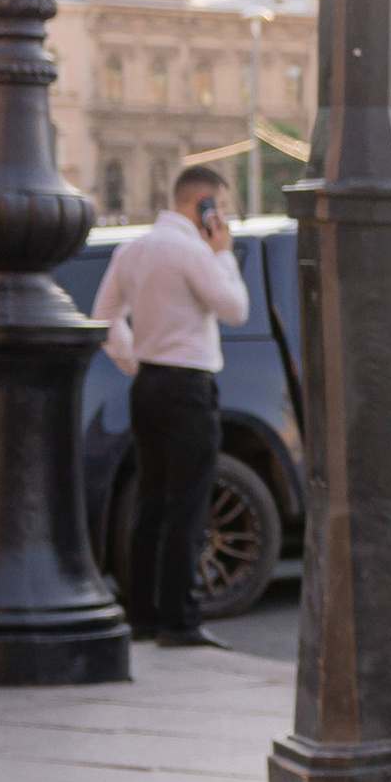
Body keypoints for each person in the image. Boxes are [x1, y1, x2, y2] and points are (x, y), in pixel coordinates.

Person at [92, 160, 249, 645]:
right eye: (218, 206)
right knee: (187, 504)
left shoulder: (133, 249)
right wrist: (223, 254)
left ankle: (142, 616)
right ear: (201, 203)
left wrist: (132, 360)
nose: (220, 218)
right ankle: (179, 620)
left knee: (152, 502)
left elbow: (103, 318)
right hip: (188, 387)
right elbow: (236, 310)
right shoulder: (193, 251)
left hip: (148, 386)